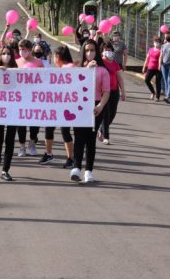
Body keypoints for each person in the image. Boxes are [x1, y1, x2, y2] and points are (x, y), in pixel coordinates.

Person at [70, 40, 110, 184]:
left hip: (95, 105)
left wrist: (100, 106)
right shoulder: (77, 68)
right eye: (87, 50)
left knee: (90, 139)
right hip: (79, 105)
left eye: (92, 50)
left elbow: (106, 92)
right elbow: (72, 85)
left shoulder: (102, 70)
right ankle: (76, 168)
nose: (89, 53)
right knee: (79, 137)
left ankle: (88, 171)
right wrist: (86, 69)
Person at [0, 45, 19, 181]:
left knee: (10, 140)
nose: (6, 56)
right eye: (4, 53)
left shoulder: (17, 71)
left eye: (9, 53)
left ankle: (5, 170)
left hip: (13, 109)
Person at [15, 39, 44, 157]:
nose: (22, 51)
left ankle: (32, 143)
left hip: (35, 98)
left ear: (30, 50)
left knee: (34, 122)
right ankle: (22, 146)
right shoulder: (16, 62)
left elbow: (45, 78)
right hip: (20, 98)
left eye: (24, 49)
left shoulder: (38, 62)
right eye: (20, 49)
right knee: (21, 123)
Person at [51, 45, 76, 168]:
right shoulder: (64, 68)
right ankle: (70, 157)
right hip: (63, 106)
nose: (54, 59)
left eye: (55, 56)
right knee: (65, 131)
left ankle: (72, 158)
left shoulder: (68, 68)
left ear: (58, 56)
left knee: (66, 131)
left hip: (69, 106)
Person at [98, 43, 125, 145]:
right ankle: (106, 137)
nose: (108, 51)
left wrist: (123, 91)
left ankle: (101, 129)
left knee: (112, 114)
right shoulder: (100, 63)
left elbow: (120, 78)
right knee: (106, 114)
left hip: (114, 91)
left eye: (110, 50)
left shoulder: (115, 63)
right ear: (102, 52)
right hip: (104, 92)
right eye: (106, 49)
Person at [142, 37, 163, 101]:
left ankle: (157, 97)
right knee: (146, 80)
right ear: (153, 43)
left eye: (158, 42)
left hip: (158, 69)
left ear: (160, 43)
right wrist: (144, 67)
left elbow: (161, 59)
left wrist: (160, 66)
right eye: (155, 42)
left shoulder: (161, 51)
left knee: (158, 82)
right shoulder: (150, 49)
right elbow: (147, 59)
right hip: (150, 68)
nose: (156, 43)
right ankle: (153, 92)